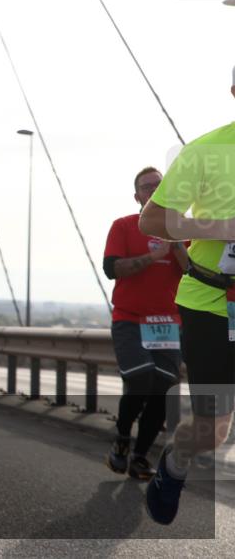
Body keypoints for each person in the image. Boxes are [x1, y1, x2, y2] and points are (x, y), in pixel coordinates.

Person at [140, 116, 235, 525]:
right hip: (211, 303)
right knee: (213, 430)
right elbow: (151, 220)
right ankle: (174, 464)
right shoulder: (206, 151)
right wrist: (220, 228)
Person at [102, 167, 187, 479]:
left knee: (164, 390)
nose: (153, 189)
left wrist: (174, 242)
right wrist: (152, 257)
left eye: (159, 185)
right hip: (130, 319)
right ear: (137, 196)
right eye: (146, 186)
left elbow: (191, 271)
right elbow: (113, 269)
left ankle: (139, 457)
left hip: (167, 323)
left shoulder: (182, 229)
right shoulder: (124, 226)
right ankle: (122, 438)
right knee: (140, 379)